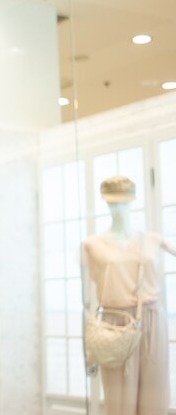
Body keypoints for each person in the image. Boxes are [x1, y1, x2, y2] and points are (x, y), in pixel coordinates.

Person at [82, 176, 174, 415]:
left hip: (152, 322)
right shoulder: (92, 244)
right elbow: (87, 301)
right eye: (112, 201)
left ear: (133, 200)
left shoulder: (153, 239)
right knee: (119, 401)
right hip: (114, 322)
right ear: (104, 201)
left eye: (122, 201)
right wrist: (89, 349)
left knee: (154, 397)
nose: (117, 206)